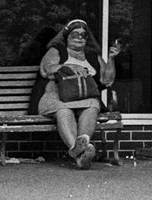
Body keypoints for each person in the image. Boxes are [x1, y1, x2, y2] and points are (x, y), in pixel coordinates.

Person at [37, 18, 119, 169]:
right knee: (64, 110)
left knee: (94, 103)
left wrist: (112, 59)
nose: (80, 37)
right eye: (75, 34)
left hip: (83, 98)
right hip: (55, 97)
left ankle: (81, 145)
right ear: (67, 36)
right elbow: (47, 69)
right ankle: (80, 151)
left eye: (83, 35)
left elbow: (107, 80)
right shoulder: (57, 50)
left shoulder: (93, 57)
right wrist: (71, 66)